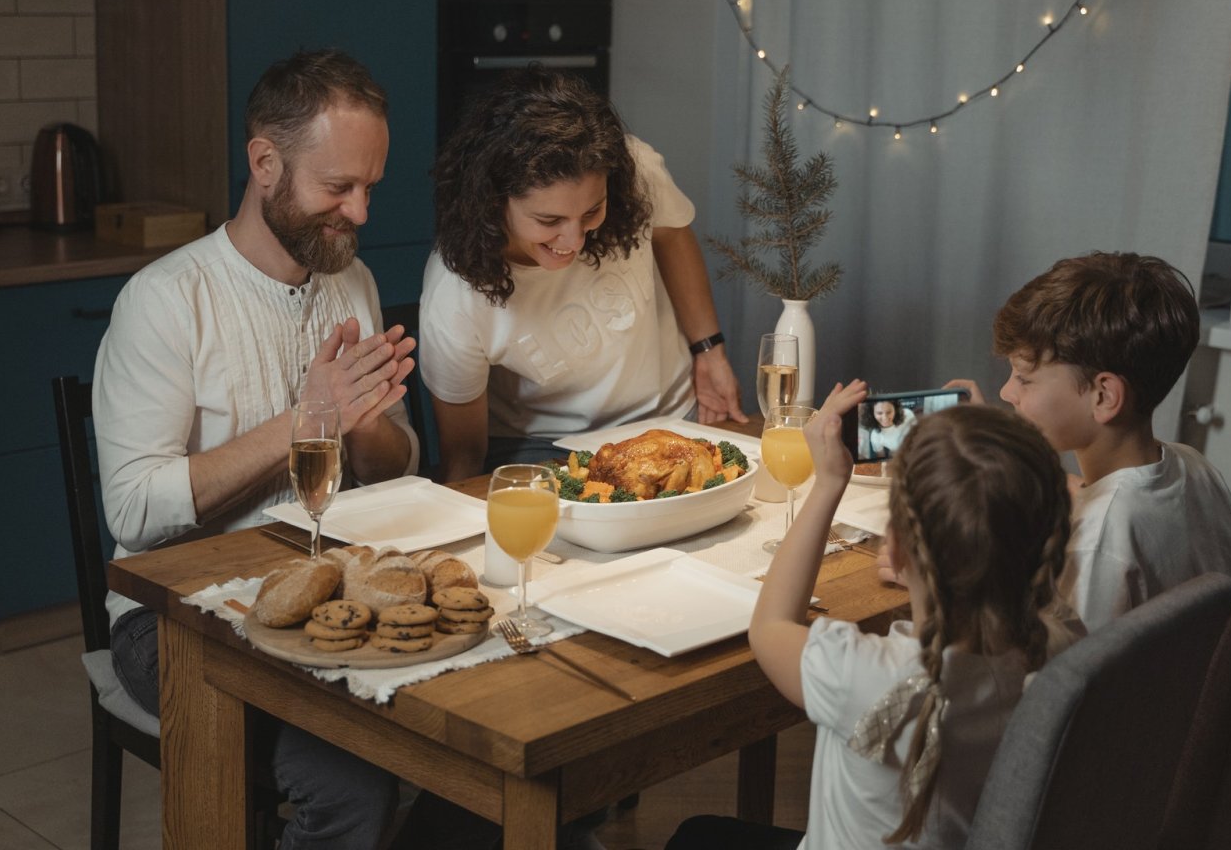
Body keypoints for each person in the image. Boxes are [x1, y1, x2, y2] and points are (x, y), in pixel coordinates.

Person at [94, 49, 419, 848]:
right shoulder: (166, 302)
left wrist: (364, 420)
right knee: (354, 780)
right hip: (170, 617)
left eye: (370, 186)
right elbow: (133, 510)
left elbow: (396, 467)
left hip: (328, 589)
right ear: (265, 163)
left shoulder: (353, 283)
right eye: (338, 187)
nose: (362, 211)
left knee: (479, 729)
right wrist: (306, 420)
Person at [668, 382, 1079, 849]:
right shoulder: (1059, 647)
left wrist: (826, 484)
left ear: (898, 548)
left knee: (695, 836)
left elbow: (769, 628)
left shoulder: (864, 675)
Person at [419, 67, 746, 484]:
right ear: (493, 202)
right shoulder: (455, 294)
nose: (573, 240)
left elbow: (672, 235)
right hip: (545, 448)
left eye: (591, 212)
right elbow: (463, 454)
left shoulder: (636, 169)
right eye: (549, 219)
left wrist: (709, 350)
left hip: (672, 415)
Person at [946, 251, 1231, 632]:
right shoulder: (1195, 467)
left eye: (1024, 377)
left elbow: (1065, 682)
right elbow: (1096, 493)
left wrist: (946, 587)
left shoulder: (1097, 542)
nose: (1007, 392)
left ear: (1104, 397)